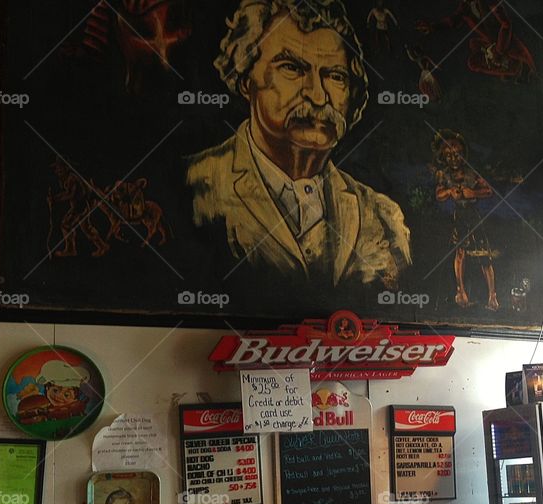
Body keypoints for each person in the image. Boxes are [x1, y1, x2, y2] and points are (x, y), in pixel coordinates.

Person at [185, 0, 411, 290]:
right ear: (245, 79)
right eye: (291, 67)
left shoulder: (382, 217)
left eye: (335, 76)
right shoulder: (192, 187)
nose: (318, 97)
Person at [430, 129, 499, 310]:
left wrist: (473, 192)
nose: (453, 158)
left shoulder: (472, 173)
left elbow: (488, 191)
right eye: (448, 155)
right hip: (459, 217)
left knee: (483, 254)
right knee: (460, 253)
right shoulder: (444, 175)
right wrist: (450, 192)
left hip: (473, 216)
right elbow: (439, 195)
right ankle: (461, 293)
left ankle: (492, 295)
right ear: (444, 157)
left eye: (456, 154)